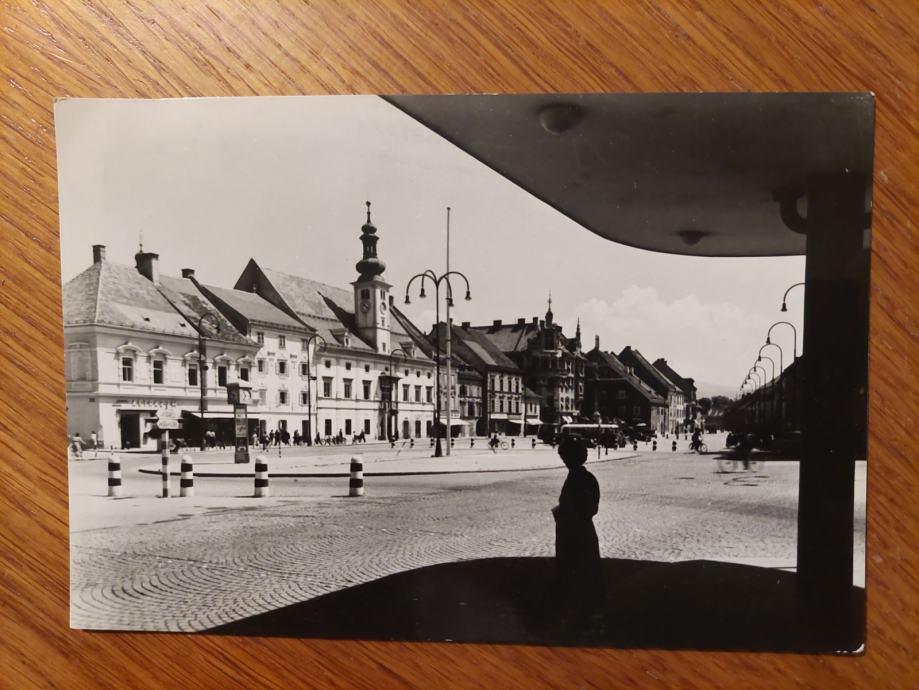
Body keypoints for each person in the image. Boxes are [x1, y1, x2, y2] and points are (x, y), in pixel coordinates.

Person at [552, 437, 602, 619]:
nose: (563, 460)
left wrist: (564, 512)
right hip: (579, 530)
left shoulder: (578, 478)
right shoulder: (583, 477)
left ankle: (580, 613)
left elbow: (585, 507)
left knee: (576, 570)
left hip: (575, 532)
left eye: (564, 456)